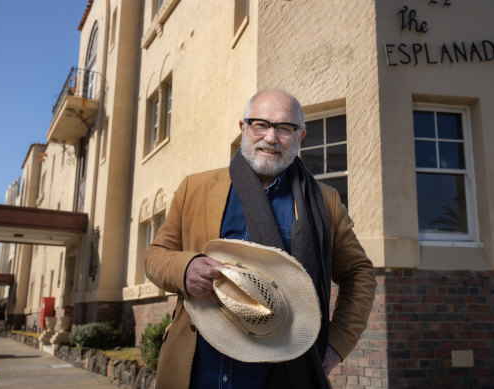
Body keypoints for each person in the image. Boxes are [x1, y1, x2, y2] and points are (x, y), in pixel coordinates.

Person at [146, 89, 377, 389]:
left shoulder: (325, 203)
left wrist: (336, 344)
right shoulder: (195, 188)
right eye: (260, 124)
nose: (270, 137)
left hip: (279, 377)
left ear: (300, 136)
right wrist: (185, 267)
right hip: (196, 371)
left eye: (284, 128)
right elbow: (155, 256)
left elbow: (359, 274)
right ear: (244, 128)